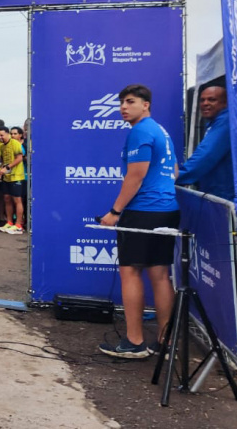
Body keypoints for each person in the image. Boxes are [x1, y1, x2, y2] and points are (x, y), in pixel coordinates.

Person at [99, 84, 178, 359]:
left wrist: (115, 211)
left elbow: (136, 176)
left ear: (146, 104)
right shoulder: (160, 130)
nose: (123, 107)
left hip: (143, 211)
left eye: (130, 101)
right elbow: (175, 171)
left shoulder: (141, 130)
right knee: (160, 274)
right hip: (167, 209)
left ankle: (134, 342)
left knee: (130, 272)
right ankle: (165, 343)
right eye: (121, 102)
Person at [176, 83, 235, 201]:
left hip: (227, 197)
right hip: (219, 195)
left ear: (225, 103)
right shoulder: (215, 123)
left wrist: (176, 177)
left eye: (212, 100)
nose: (205, 103)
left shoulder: (226, 121)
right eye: (202, 100)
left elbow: (206, 155)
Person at [0, 127, 25, 234]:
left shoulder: (15, 143)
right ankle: (9, 222)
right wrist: (0, 171)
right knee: (7, 198)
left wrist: (6, 168)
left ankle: (18, 225)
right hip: (6, 177)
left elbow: (19, 158)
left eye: (2, 135)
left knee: (17, 200)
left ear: (7, 134)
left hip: (16, 176)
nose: (0, 137)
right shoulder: (2, 146)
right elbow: (3, 161)